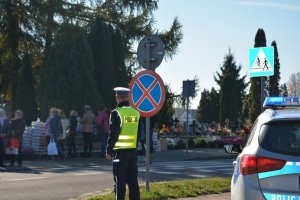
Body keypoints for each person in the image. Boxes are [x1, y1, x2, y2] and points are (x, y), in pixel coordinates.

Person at [106, 87, 142, 200]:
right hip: (132, 151)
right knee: (133, 181)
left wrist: (109, 150)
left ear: (117, 97)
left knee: (120, 180)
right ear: (127, 97)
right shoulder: (136, 113)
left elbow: (113, 133)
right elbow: (139, 133)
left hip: (120, 152)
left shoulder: (116, 113)